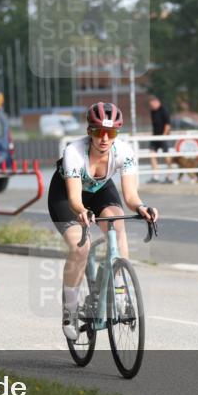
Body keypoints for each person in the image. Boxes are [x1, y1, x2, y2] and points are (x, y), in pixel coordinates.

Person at [48, 102, 158, 340]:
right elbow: (76, 199)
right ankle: (70, 310)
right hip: (67, 196)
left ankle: (119, 290)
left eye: (111, 133)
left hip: (100, 190)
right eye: (99, 132)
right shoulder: (74, 152)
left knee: (117, 223)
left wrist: (142, 207)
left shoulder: (125, 152)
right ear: (90, 132)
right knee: (81, 247)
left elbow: (130, 196)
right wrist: (82, 211)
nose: (105, 138)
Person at [147, 95, 172, 183]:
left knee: (166, 156)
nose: (151, 107)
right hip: (155, 136)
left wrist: (164, 136)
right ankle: (156, 176)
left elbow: (167, 124)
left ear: (156, 102)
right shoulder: (152, 111)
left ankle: (169, 176)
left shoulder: (164, 110)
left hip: (164, 136)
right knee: (152, 154)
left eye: (152, 105)